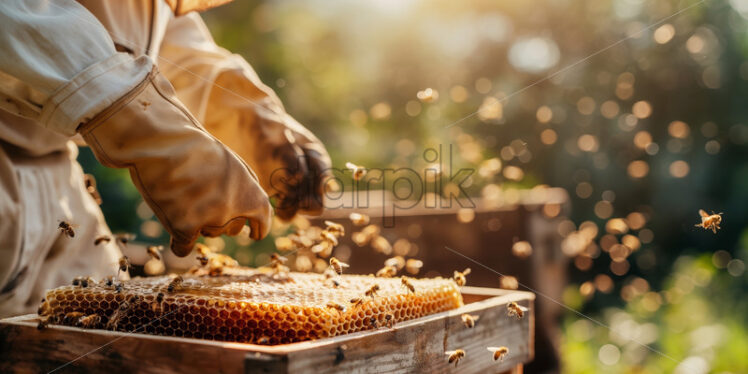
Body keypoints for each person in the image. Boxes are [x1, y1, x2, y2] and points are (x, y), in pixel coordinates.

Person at [0, 0, 331, 317]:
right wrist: (133, 112)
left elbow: (144, 28)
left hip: (58, 186)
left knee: (110, 332)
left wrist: (243, 112)